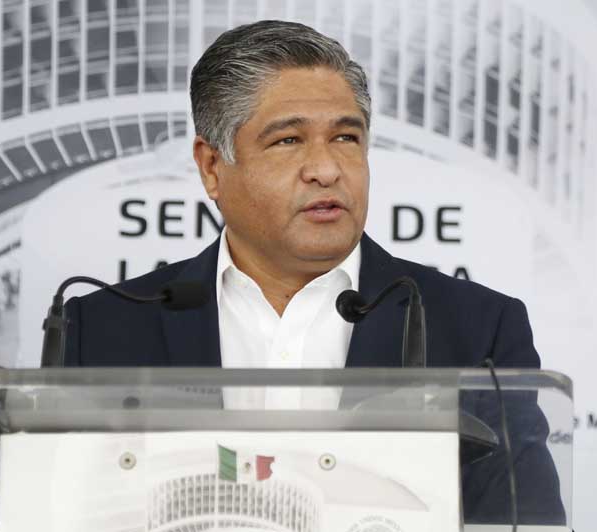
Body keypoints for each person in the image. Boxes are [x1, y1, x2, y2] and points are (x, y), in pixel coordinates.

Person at [63, 20, 564, 524]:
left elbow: (524, 518)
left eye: (346, 137)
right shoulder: (105, 327)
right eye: (288, 141)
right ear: (212, 166)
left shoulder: (477, 327)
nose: (326, 168)